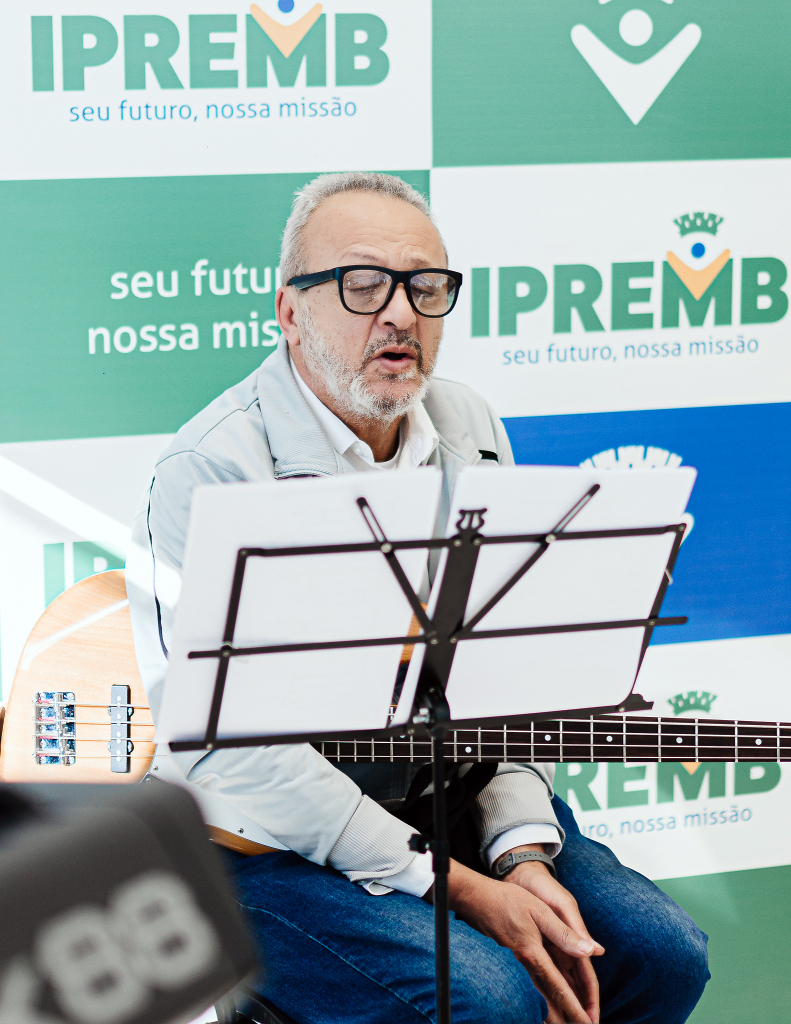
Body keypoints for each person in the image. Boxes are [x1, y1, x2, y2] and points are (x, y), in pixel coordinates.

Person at [128, 172, 709, 1024]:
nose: (400, 313)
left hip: (444, 796)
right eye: (362, 284)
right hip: (257, 842)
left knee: (660, 956)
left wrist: (520, 854)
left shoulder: (468, 423)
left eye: (425, 287)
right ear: (289, 310)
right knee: (489, 998)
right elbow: (233, 754)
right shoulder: (210, 469)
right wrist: (460, 889)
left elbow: (511, 686)